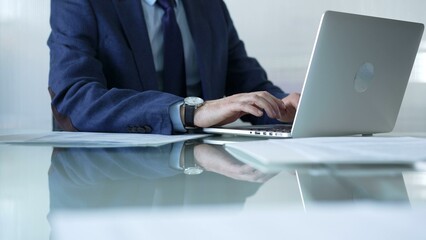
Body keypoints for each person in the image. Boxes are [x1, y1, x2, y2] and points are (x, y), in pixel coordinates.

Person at [48, 0, 300, 134]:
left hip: (204, 174)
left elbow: (247, 83)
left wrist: (283, 105)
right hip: (108, 178)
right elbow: (74, 97)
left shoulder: (209, 6)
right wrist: (190, 112)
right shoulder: (80, 2)